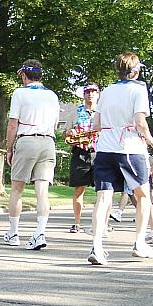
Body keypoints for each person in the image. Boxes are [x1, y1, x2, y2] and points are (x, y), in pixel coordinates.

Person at [86, 52, 153, 265]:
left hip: (105, 149)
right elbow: (139, 121)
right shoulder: (139, 90)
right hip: (130, 147)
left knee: (103, 198)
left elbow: (96, 125)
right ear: (136, 71)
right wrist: (150, 140)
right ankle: (139, 242)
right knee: (143, 195)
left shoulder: (107, 91)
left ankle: (97, 246)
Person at [4, 60, 60, 250]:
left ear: (23, 75)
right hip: (48, 142)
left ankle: (13, 232)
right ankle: (40, 231)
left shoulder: (20, 93)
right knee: (42, 191)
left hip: (27, 139)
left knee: (17, 188)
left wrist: (9, 148)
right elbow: (55, 124)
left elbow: (13, 124)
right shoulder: (52, 95)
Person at [64, 84, 99, 233]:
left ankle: (101, 224)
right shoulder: (75, 113)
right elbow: (64, 134)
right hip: (81, 152)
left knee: (104, 190)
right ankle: (77, 223)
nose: (90, 94)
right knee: (79, 189)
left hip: (100, 152)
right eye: (87, 92)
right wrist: (69, 133)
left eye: (93, 92)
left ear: (98, 94)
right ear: (83, 94)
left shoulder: (103, 112)